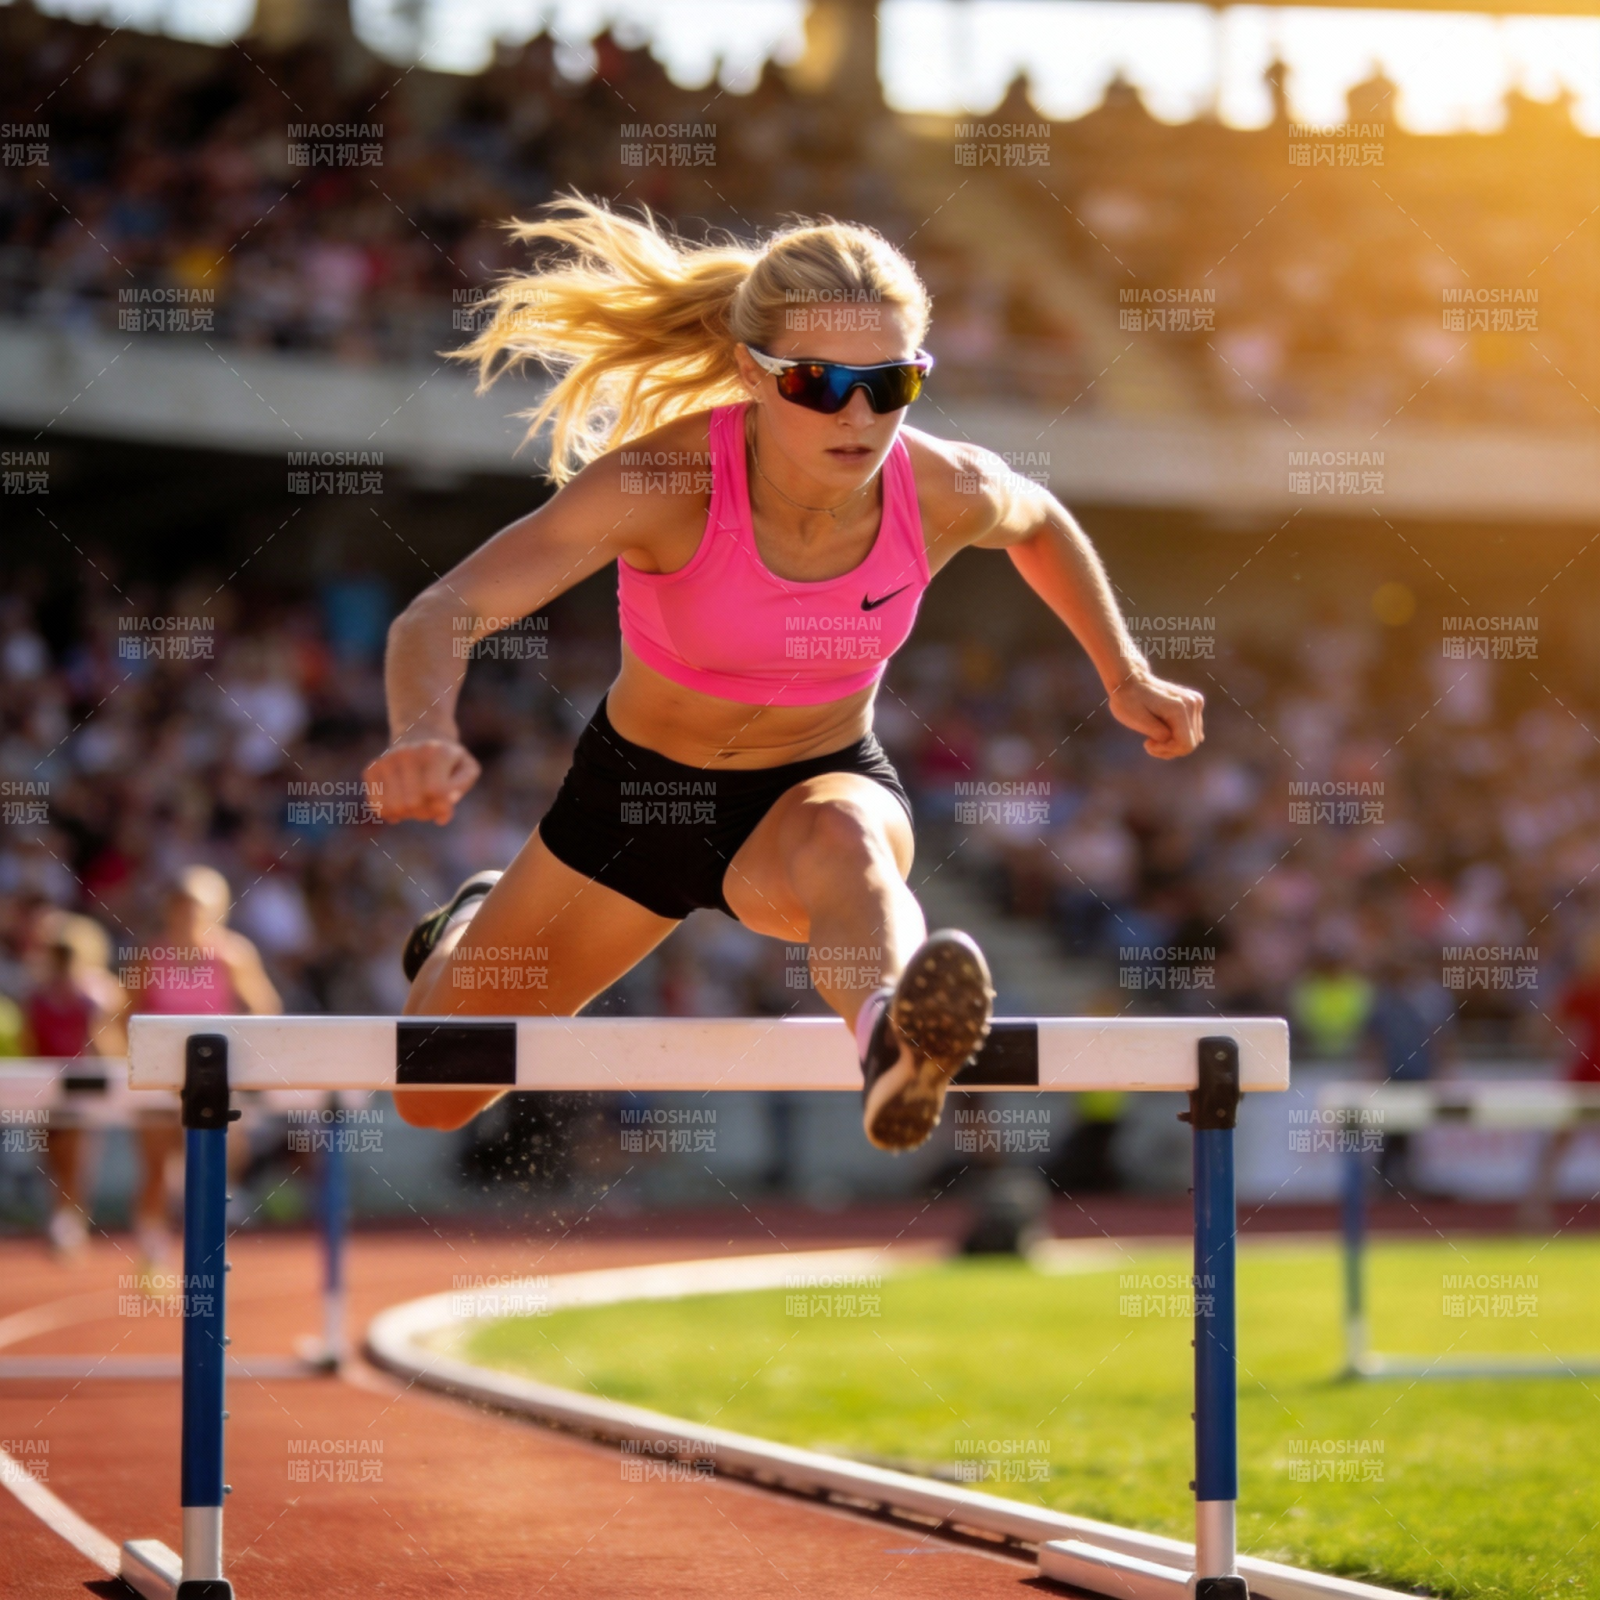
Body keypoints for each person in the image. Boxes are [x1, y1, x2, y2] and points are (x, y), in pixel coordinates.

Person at [364, 196, 1205, 1152]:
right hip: (634, 804)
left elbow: (1041, 522)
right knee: (434, 1091)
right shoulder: (665, 485)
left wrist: (1124, 672)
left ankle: (896, 1039)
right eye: (817, 383)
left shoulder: (942, 488)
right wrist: (422, 732)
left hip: (813, 782)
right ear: (749, 375)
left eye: (889, 385)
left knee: (849, 835)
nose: (856, 415)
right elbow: (445, 612)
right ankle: (470, 925)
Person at [119, 866, 282, 1266]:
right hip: (160, 1083)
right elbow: (123, 1014)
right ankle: (152, 1252)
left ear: (218, 911)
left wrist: (248, 1059)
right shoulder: (150, 957)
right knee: (156, 1170)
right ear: (170, 910)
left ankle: (209, 1251)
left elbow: (265, 1009)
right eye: (183, 908)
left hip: (215, 1079)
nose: (190, 917)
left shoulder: (233, 956)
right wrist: (132, 1064)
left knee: (219, 1159)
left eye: (199, 909)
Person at [21, 911, 126, 1256]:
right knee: (52, 1152)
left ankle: (71, 1218)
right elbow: (30, 1039)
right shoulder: (38, 993)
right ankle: (62, 1215)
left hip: (84, 1083)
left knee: (76, 1152)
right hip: (48, 1083)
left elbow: (111, 1040)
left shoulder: (98, 993)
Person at [1359, 949, 1456, 1196]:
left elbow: (1439, 1037)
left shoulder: (1431, 998)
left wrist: (1442, 1067)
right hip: (1394, 1072)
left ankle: (1398, 1176)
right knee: (1392, 1125)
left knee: (1410, 1126)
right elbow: (1374, 1038)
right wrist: (1374, 1069)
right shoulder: (1385, 999)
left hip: (1417, 1072)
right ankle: (1388, 1176)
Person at [1521, 928, 1600, 1230]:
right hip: (1584, 1079)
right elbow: (1544, 1025)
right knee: (1558, 1144)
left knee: (1557, 1146)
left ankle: (1534, 1207)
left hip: (1584, 1076)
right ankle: (1534, 1209)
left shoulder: (1582, 988)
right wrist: (1548, 1043)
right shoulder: (1583, 989)